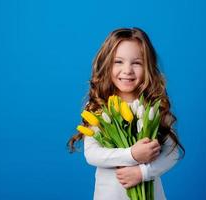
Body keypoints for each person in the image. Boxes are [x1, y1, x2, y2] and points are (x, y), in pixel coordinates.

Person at [67, 27, 185, 200]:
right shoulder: (98, 108)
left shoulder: (154, 107)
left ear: (148, 67)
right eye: (118, 62)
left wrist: (143, 173)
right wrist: (132, 155)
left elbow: (172, 154)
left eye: (137, 63)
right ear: (106, 65)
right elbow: (92, 154)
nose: (127, 70)